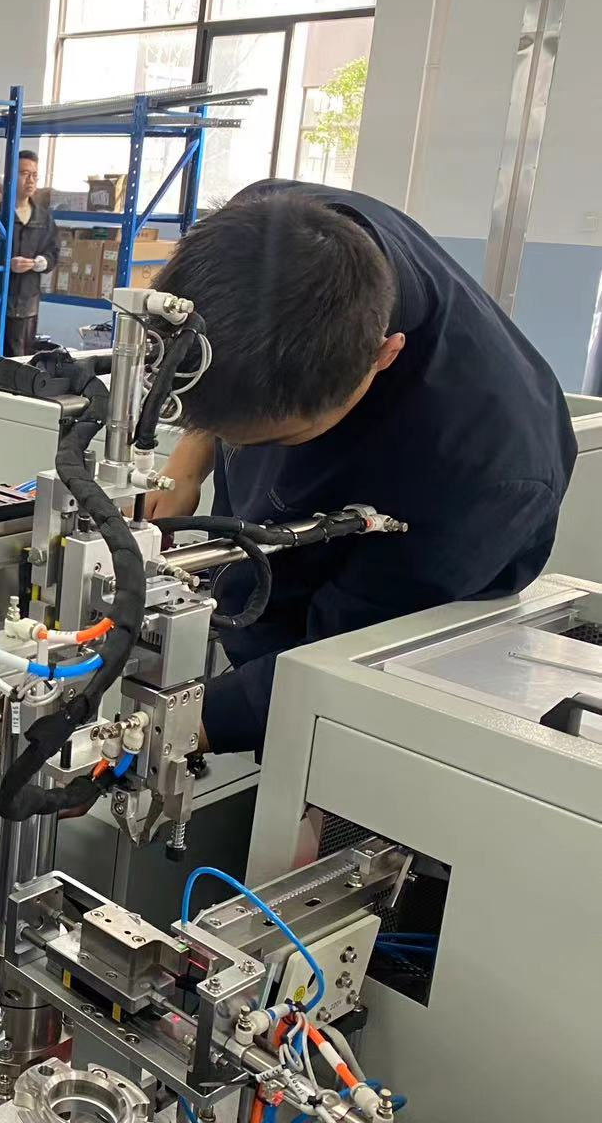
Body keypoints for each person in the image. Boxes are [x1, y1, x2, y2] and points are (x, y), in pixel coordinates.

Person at [146, 180, 576, 755]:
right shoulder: (269, 231)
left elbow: (346, 655)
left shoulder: (487, 472)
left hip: (396, 594)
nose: (235, 447)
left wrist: (159, 739)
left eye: (272, 439)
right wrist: (186, 465)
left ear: (383, 355)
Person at [0, 149, 59, 356]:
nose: (30, 180)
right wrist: (6, 264)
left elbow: (53, 251)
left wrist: (43, 262)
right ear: (10, 177)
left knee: (24, 357)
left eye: (34, 175)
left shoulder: (43, 218)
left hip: (29, 302)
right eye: (24, 174)